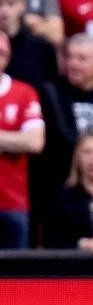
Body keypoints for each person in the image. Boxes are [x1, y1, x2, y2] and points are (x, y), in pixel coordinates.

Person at [34, 34, 93, 245]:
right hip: (58, 196)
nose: (73, 64)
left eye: (81, 59)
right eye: (70, 57)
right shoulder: (49, 93)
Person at [0, 30, 41, 248]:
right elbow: (24, 139)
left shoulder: (24, 93)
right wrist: (13, 140)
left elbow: (34, 142)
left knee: (15, 276)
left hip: (13, 202)